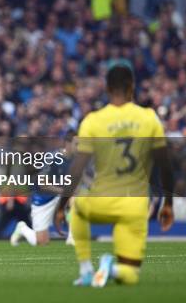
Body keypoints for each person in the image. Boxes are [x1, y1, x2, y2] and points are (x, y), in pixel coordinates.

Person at [54, 64, 174, 287]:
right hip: (135, 206)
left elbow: (77, 168)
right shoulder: (149, 118)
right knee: (129, 276)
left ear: (107, 89)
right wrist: (168, 204)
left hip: (101, 200)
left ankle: (86, 269)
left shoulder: (93, 121)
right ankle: (113, 268)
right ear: (132, 87)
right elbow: (165, 166)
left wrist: (61, 206)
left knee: (77, 209)